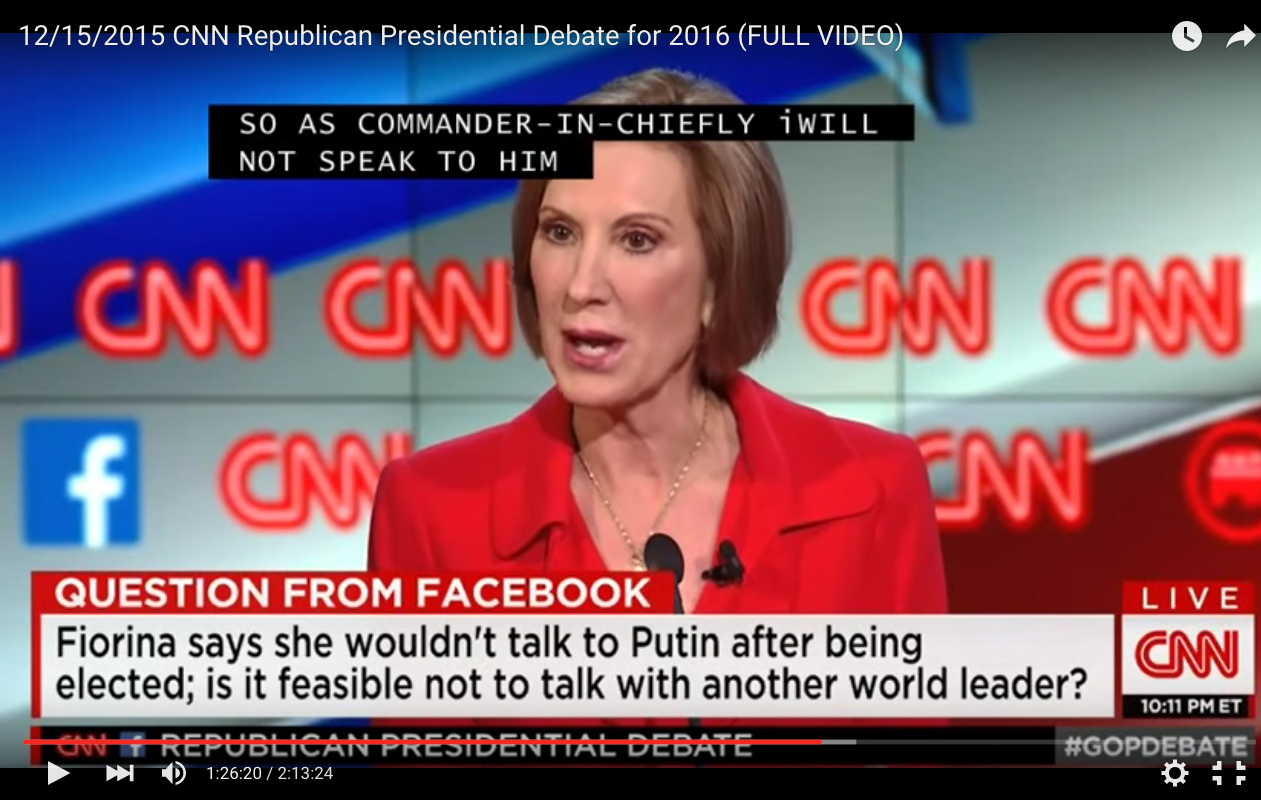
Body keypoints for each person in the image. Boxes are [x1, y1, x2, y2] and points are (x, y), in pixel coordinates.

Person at [368, 68, 946, 729]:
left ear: (718, 282)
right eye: (559, 232)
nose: (581, 284)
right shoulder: (430, 513)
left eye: (636, 239)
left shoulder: (871, 490)